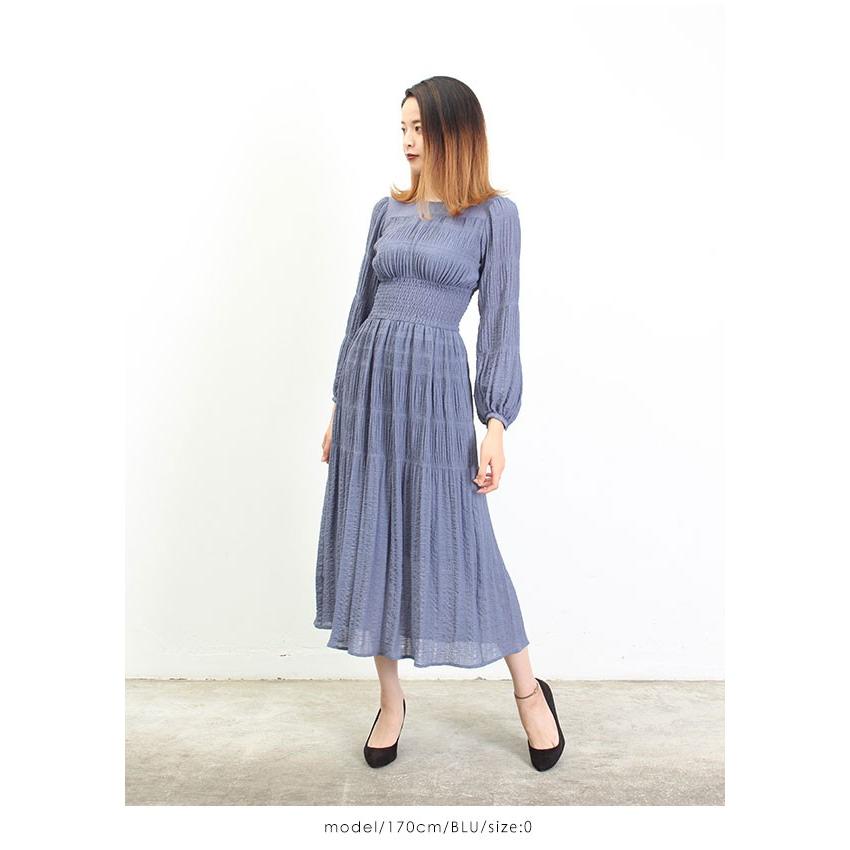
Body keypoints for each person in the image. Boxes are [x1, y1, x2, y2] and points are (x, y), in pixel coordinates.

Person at [314, 76, 564, 771]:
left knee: (465, 539)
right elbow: (361, 306)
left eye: (419, 127)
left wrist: (496, 422)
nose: (407, 140)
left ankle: (528, 691)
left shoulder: (493, 216)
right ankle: (391, 702)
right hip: (370, 392)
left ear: (454, 131)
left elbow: (500, 322)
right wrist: (339, 403)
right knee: (374, 535)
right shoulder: (386, 212)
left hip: (435, 397)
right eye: (402, 127)